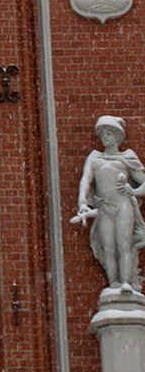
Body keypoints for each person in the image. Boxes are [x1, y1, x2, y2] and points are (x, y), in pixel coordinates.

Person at [72, 115, 145, 292]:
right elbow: (86, 181)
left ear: (118, 136)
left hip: (123, 205)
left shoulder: (127, 157)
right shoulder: (95, 158)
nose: (105, 137)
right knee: (108, 248)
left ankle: (126, 282)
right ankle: (114, 283)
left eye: (109, 133)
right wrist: (82, 203)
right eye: (102, 134)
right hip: (104, 208)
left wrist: (133, 191)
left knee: (124, 244)